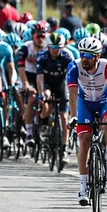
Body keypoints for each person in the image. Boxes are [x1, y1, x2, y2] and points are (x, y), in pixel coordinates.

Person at [67, 37, 107, 204]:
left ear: (97, 56)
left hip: (105, 102)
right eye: (82, 54)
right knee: (84, 141)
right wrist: (74, 115)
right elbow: (73, 94)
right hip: (85, 104)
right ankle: (83, 188)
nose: (84, 58)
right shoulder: (74, 66)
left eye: (88, 55)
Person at [36, 32, 76, 164]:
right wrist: (42, 93)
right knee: (46, 99)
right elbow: (40, 77)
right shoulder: (42, 56)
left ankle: (64, 148)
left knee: (64, 118)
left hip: (61, 83)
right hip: (47, 83)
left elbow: (73, 77)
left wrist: (73, 93)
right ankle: (44, 123)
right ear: (48, 47)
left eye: (57, 47)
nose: (54, 50)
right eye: (52, 47)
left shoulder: (67, 56)